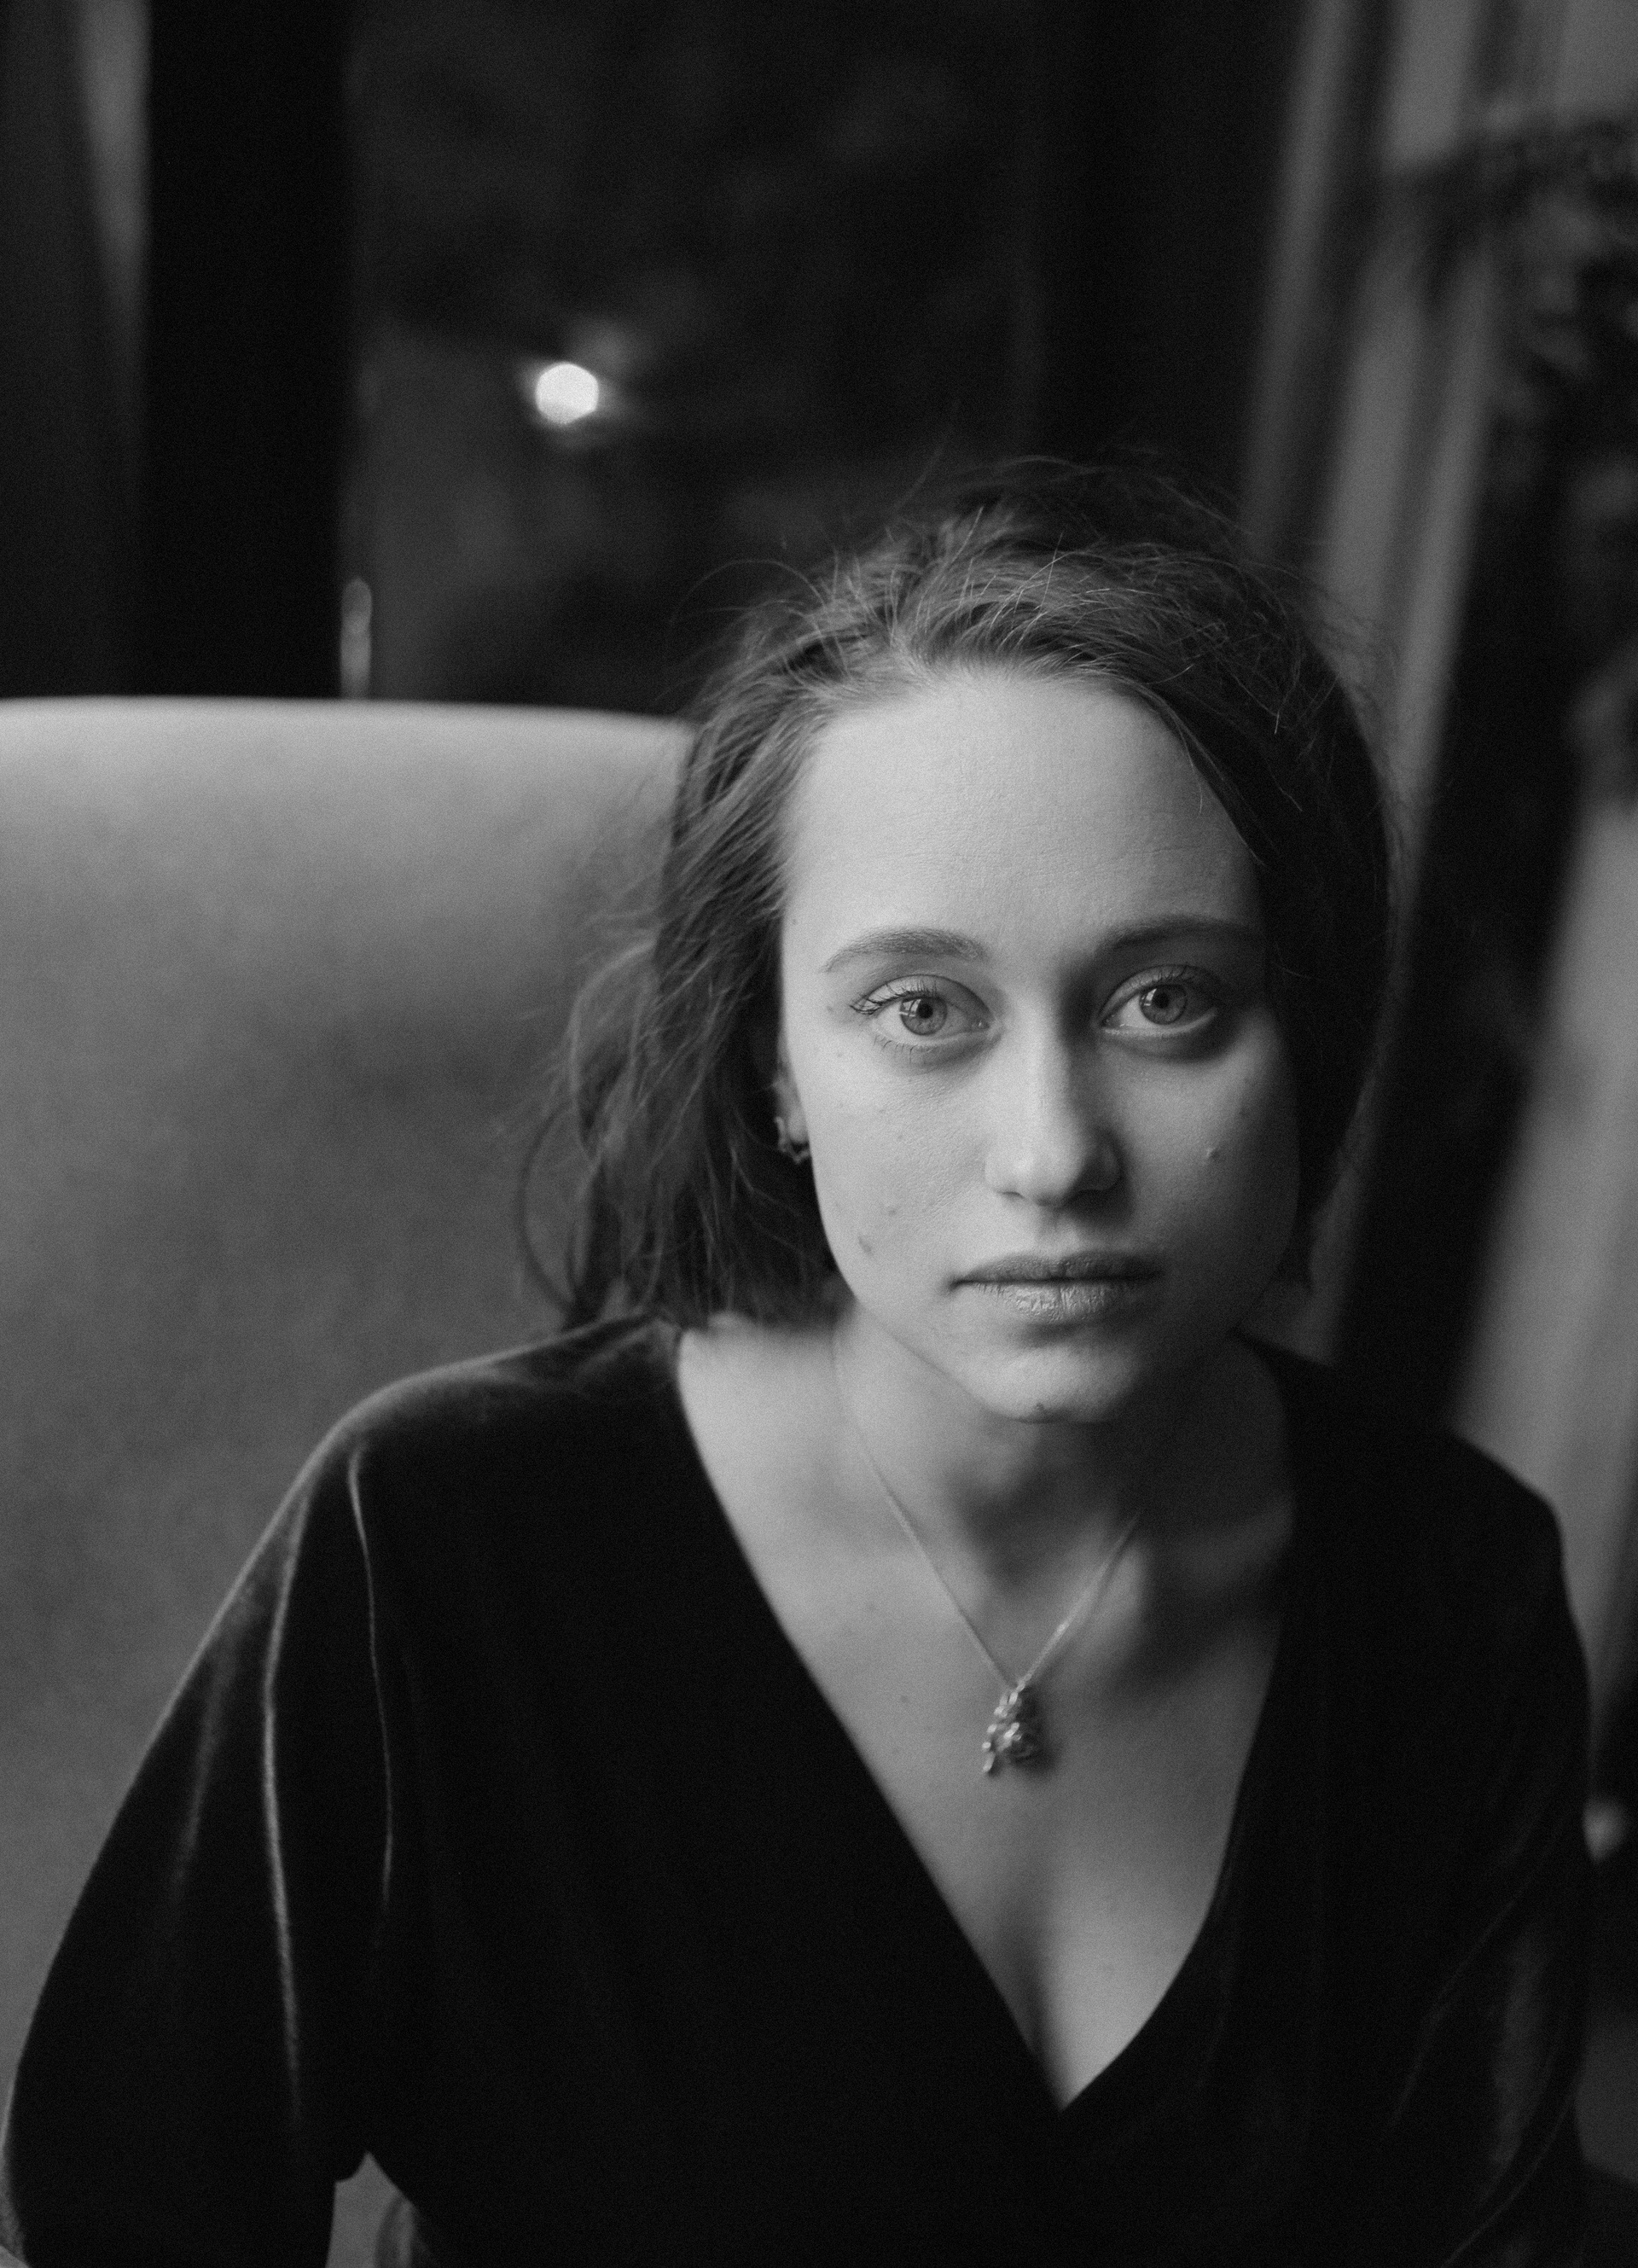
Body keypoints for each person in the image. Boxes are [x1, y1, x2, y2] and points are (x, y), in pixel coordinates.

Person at [0, 467, 1592, 2266]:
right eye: (923, 1010)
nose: (1054, 1151)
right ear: (774, 1065)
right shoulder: (436, 1548)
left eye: (1168, 999)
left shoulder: (1454, 1598)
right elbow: (126, 2213)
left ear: (1306, 1030)